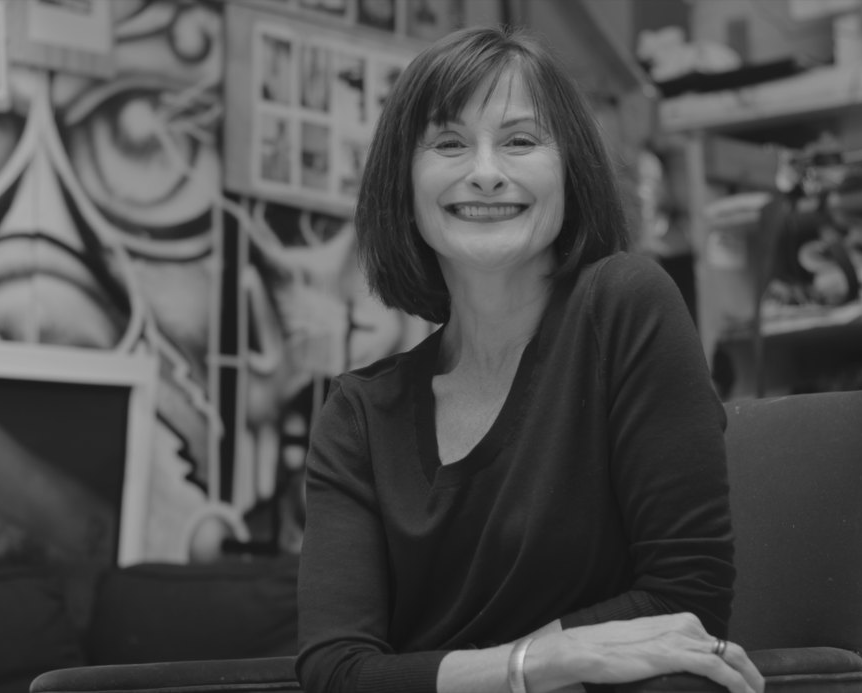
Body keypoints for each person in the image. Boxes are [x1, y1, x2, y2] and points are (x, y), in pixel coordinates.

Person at [295, 25, 765, 693]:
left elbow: (687, 598)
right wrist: (535, 663)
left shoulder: (625, 305)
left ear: (570, 171)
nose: (486, 172)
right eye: (449, 143)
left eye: (520, 141)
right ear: (402, 182)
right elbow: (336, 671)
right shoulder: (358, 416)